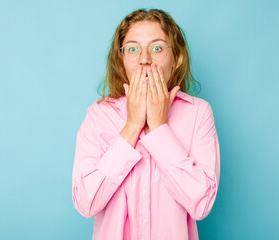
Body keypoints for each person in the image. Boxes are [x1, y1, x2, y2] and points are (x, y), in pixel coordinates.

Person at [72, 8, 220, 240]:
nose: (144, 60)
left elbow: (202, 205)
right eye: (132, 49)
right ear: (121, 59)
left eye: (157, 48)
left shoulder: (198, 113)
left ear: (176, 57)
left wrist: (159, 128)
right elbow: (85, 203)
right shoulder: (98, 115)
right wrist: (132, 126)